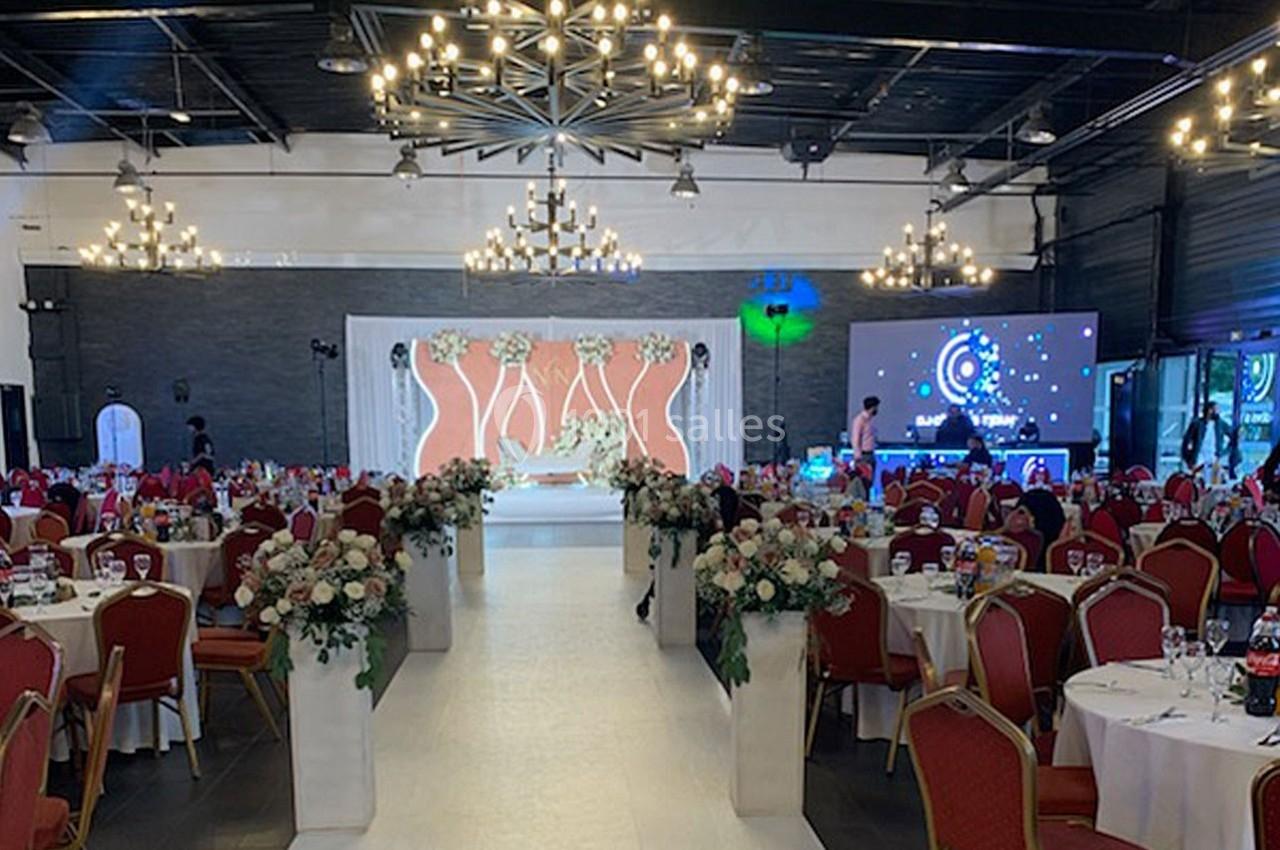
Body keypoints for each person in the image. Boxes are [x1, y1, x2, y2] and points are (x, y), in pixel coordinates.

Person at [1181, 401, 1232, 474]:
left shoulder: (1221, 424)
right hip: (1199, 457)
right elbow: (1186, 441)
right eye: (1215, 409)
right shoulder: (1197, 423)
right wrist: (1188, 458)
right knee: (1197, 477)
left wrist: (1224, 451)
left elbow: (1233, 437)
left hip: (1214, 457)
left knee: (1214, 477)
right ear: (1209, 410)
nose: (1217, 412)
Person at [850, 396, 879, 481]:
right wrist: (858, 456)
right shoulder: (860, 420)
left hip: (870, 454)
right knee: (863, 481)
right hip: (863, 456)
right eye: (876, 407)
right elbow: (855, 438)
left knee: (870, 481)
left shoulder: (870, 420)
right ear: (872, 407)